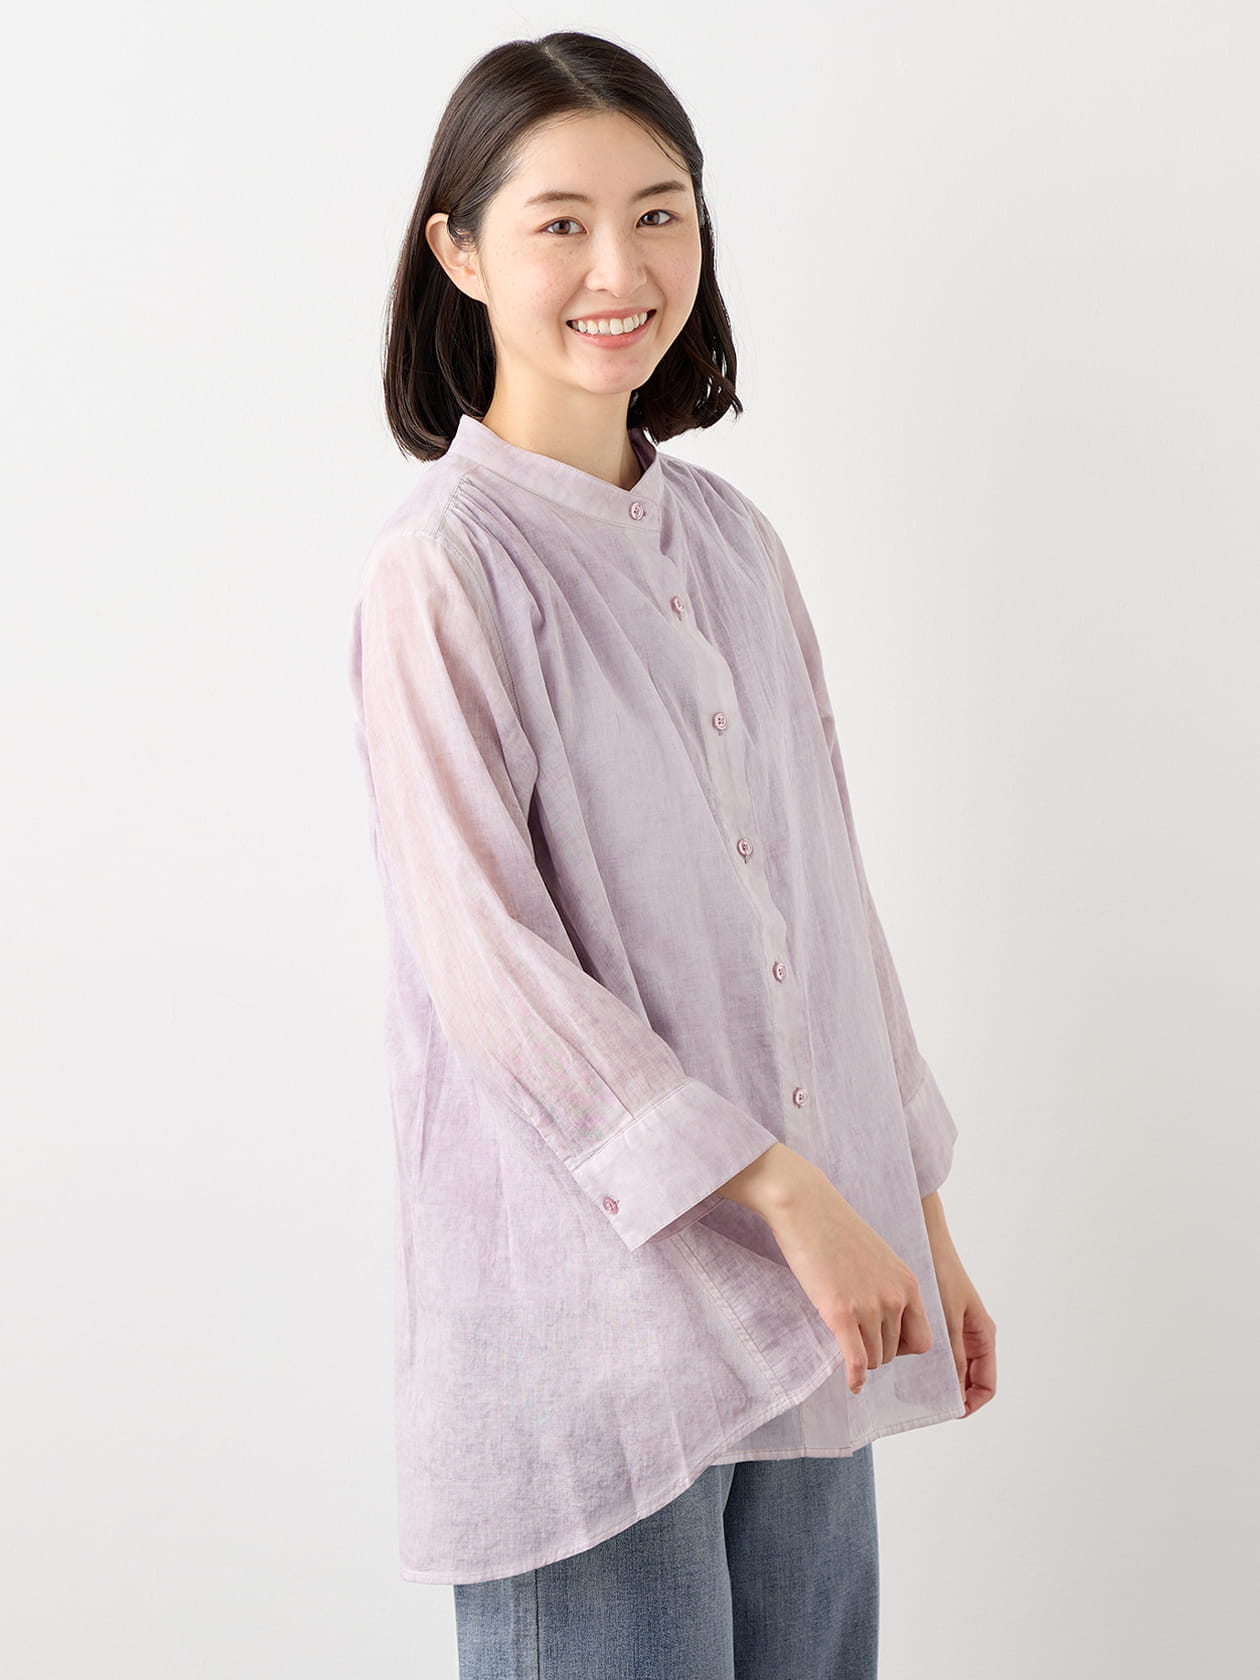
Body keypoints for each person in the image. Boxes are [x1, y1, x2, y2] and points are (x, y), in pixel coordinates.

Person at [347, 29, 997, 1680]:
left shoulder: (735, 545)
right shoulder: (446, 571)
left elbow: (826, 906)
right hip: (590, 1339)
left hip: (814, 1299)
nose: (620, 271)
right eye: (559, 223)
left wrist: (913, 1208)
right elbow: (490, 970)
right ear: (459, 251)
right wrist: (786, 1189)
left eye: (661, 215)